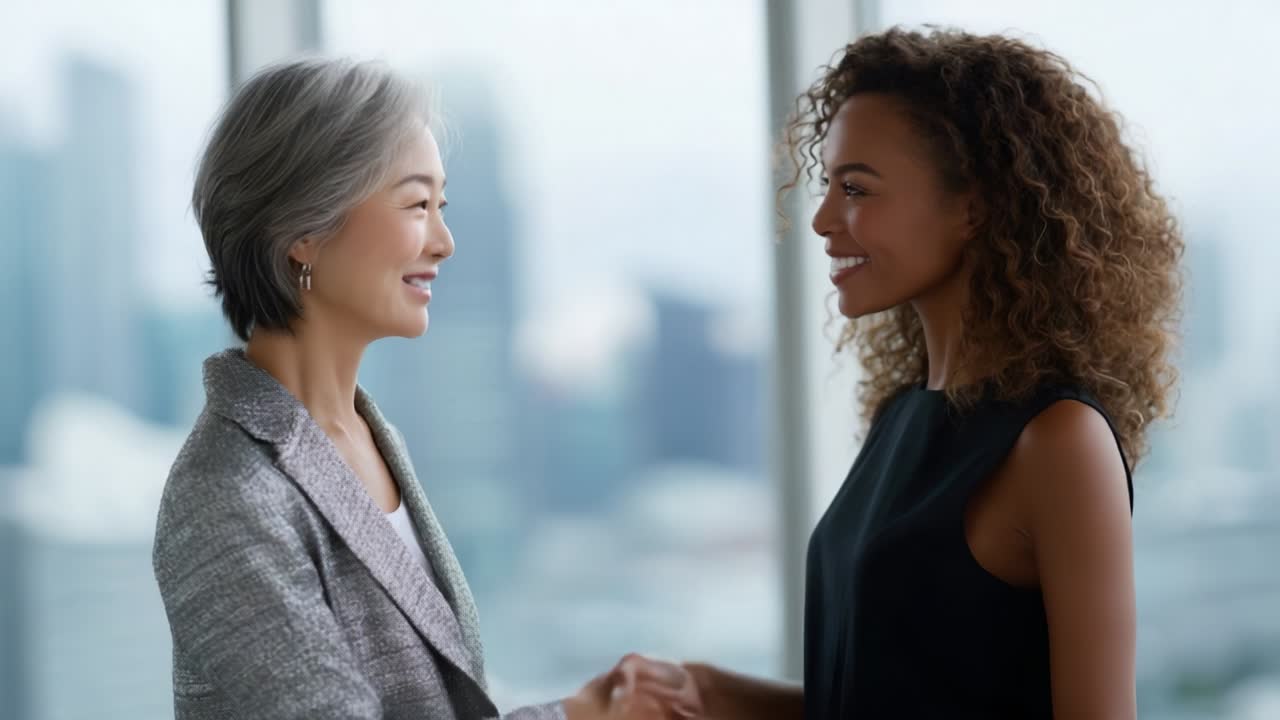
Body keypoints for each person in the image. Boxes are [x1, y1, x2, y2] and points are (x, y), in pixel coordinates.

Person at [634, 26, 1183, 720]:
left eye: (856, 188)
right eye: (828, 186)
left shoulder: (1059, 441)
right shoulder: (900, 417)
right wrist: (710, 692)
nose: (824, 219)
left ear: (974, 206)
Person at [151, 57, 700, 720]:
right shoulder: (227, 496)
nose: (444, 242)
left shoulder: (371, 436)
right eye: (416, 204)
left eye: (441, 206)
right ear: (302, 232)